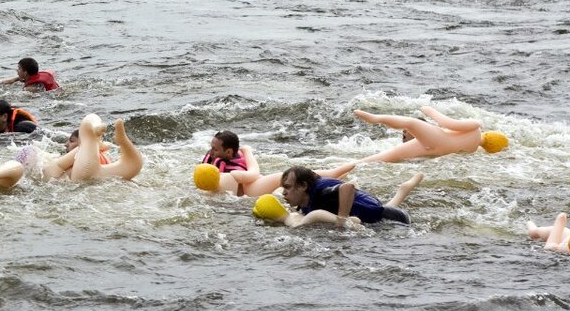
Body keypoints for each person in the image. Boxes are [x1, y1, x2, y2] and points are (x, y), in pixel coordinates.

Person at [352, 106, 508, 164]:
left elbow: (448, 123)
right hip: (432, 151)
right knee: (385, 157)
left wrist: (431, 111)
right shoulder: (472, 150)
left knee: (410, 122)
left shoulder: (476, 127)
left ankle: (375, 118)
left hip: (439, 140)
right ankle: (344, 166)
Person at [278, 166, 423, 225]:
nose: (284, 192)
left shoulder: (322, 191)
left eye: (288, 187)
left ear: (303, 186)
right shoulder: (306, 199)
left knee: (387, 208)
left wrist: (342, 220)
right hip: (368, 210)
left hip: (384, 215)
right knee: (391, 202)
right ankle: (405, 188)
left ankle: (407, 186)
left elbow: (348, 187)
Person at [19, 114, 142, 181]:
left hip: (96, 175)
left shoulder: (49, 169)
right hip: (91, 174)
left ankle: (122, 140)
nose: (66, 145)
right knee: (88, 120)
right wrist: (99, 144)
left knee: (133, 165)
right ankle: (122, 141)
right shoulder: (100, 153)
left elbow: (59, 165)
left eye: (72, 141)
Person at [193, 149, 356, 198]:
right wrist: (248, 152)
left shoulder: (205, 193)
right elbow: (254, 173)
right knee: (290, 175)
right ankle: (338, 171)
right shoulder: (231, 175)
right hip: (254, 190)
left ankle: (335, 173)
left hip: (249, 196)